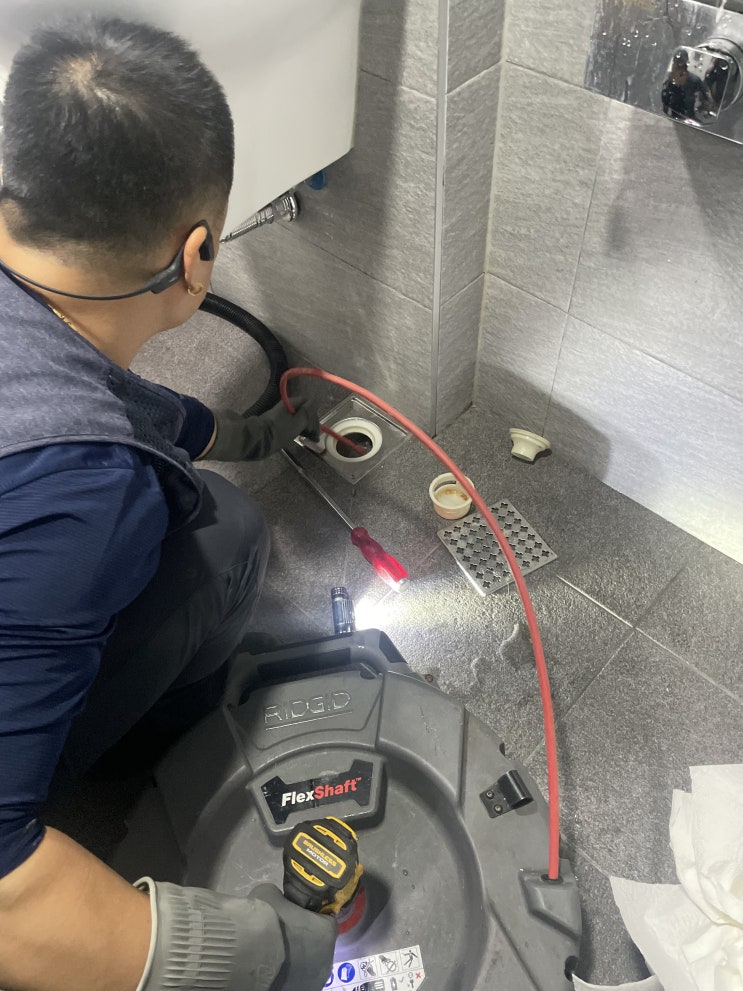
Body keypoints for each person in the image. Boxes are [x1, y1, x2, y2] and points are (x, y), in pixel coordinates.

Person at [0, 15, 336, 991]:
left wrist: (247, 433)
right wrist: (267, 951)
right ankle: (144, 767)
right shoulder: (85, 488)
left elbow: (104, 394)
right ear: (196, 257)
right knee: (225, 533)